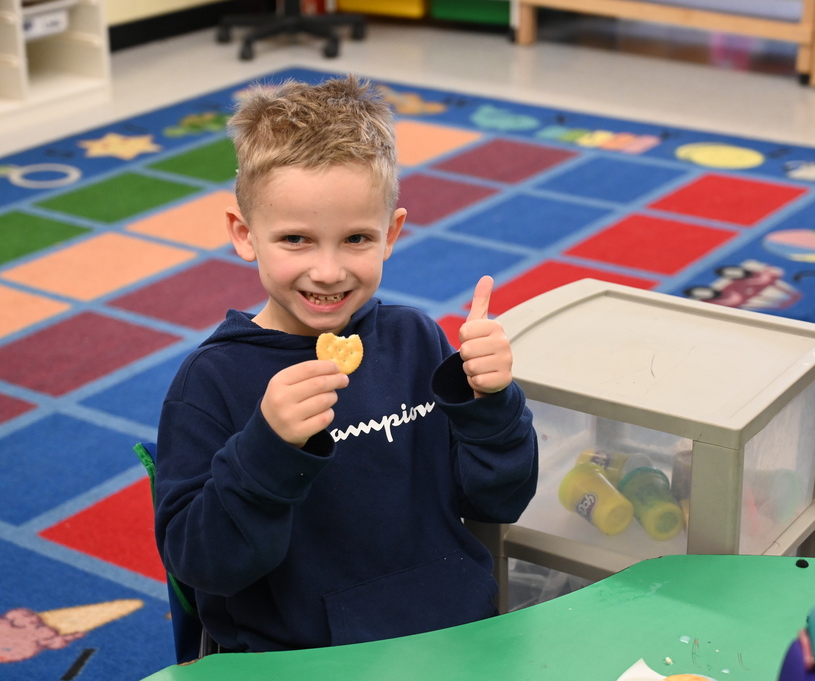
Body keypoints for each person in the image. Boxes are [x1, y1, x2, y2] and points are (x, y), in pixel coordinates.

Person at [154, 74, 538, 654]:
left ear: (392, 234)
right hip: (299, 658)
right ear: (244, 234)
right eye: (296, 240)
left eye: (356, 238)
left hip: (455, 633)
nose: (329, 271)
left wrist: (492, 404)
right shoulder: (211, 382)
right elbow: (204, 565)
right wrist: (268, 449)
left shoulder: (415, 339)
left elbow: (498, 500)